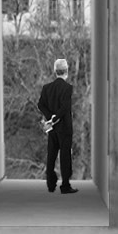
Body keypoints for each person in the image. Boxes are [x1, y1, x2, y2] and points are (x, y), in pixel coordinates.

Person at [38, 58, 78, 194]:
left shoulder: (47, 88)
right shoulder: (68, 88)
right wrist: (56, 117)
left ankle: (50, 183)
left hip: (52, 128)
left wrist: (50, 117)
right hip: (64, 127)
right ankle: (65, 185)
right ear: (66, 71)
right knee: (65, 156)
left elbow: (40, 105)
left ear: (55, 71)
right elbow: (65, 107)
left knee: (51, 154)